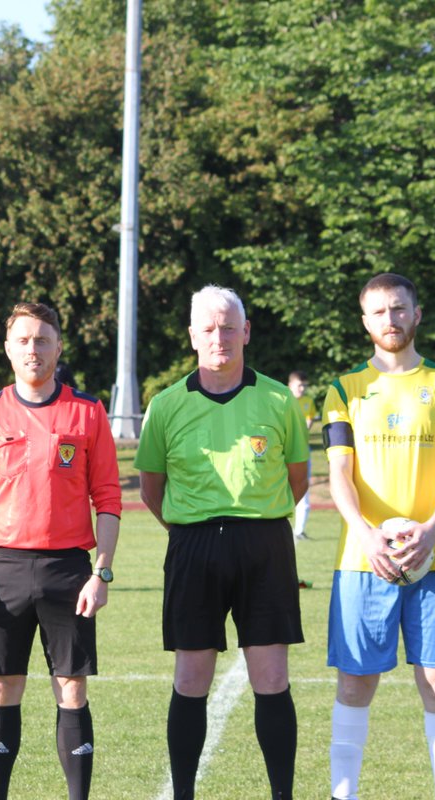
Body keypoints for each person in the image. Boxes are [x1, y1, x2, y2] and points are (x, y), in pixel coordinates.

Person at [135, 285, 308, 800]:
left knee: (271, 678)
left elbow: (296, 479)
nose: (219, 337)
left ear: (246, 331)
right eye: (208, 328)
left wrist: (253, 520)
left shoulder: (278, 398)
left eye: (229, 326)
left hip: (266, 546)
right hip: (193, 548)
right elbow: (151, 488)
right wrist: (191, 531)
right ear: (192, 335)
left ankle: (283, 794)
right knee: (191, 678)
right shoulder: (166, 405)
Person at [0, 302, 121, 800]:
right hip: (1, 569)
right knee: (3, 688)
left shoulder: (87, 411)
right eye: (24, 340)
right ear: (8, 349)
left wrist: (102, 573)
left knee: (71, 689)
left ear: (58, 347)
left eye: (43, 339)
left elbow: (108, 498)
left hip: (68, 569)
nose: (33, 349)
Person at [322, 273, 435, 800]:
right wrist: (365, 536)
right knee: (354, 683)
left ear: (417, 313)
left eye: (399, 308)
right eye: (379, 312)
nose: (390, 320)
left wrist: (431, 532)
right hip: (364, 560)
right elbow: (339, 474)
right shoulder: (344, 390)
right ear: (365, 322)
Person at [287, 371, 318, 541]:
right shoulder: (282, 398)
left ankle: (299, 530)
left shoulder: (308, 402)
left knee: (302, 487)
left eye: (304, 386)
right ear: (290, 385)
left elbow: (308, 423)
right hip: (283, 450)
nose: (302, 389)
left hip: (302, 450)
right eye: (299, 385)